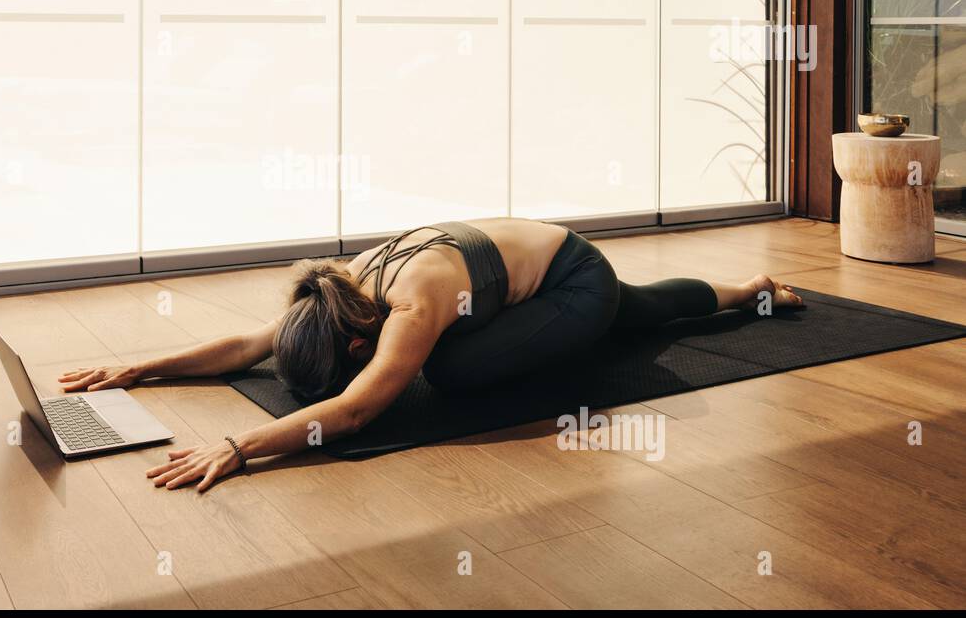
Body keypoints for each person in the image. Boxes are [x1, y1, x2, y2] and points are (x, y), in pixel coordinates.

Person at [58, 218, 802, 493]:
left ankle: (716, 300)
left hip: (573, 282)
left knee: (449, 371)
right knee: (645, 309)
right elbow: (251, 345)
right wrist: (139, 366)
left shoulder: (413, 303)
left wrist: (238, 443)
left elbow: (353, 410)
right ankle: (751, 289)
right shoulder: (339, 292)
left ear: (359, 342)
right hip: (550, 270)